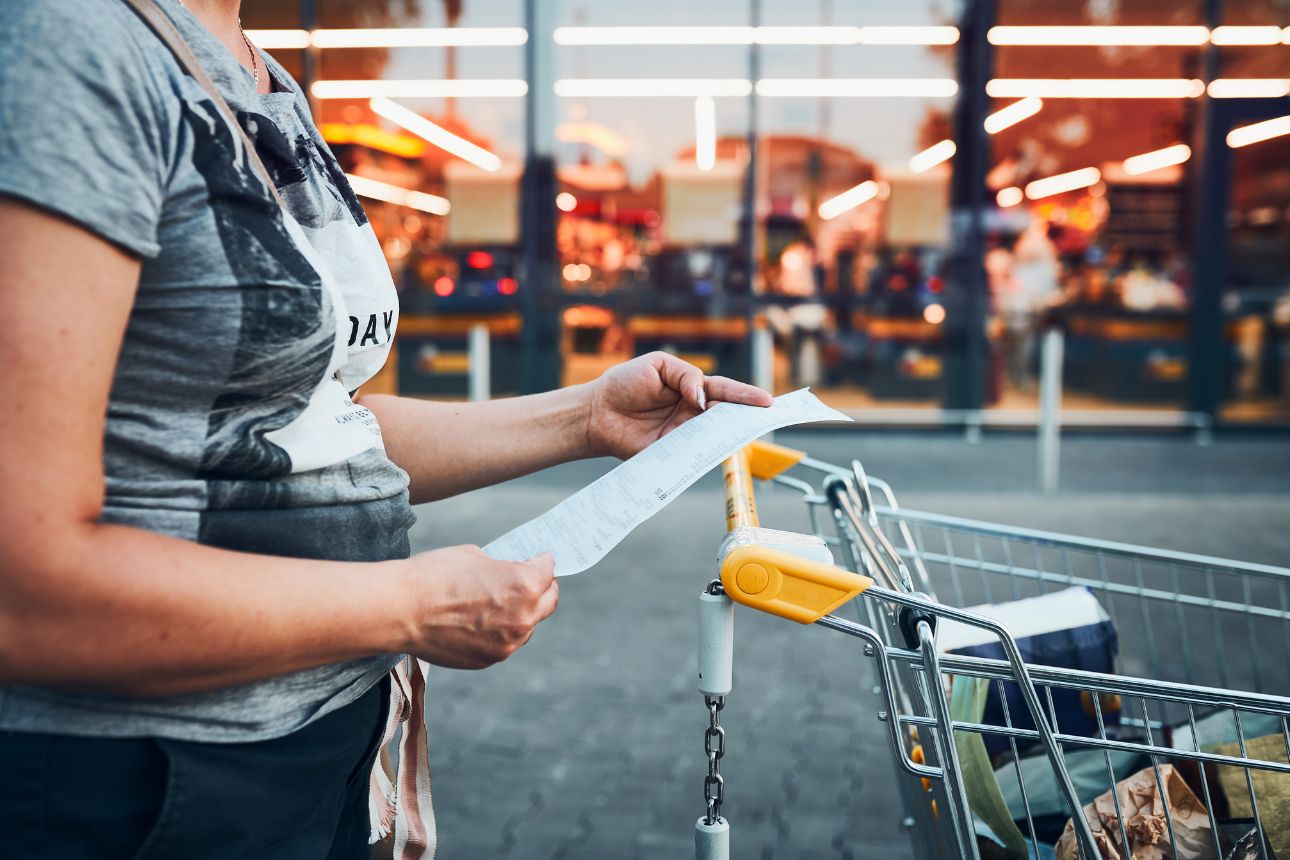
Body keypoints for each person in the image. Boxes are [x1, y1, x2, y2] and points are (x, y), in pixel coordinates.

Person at [0, 1, 772, 857]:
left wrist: (585, 416)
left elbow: (311, 425)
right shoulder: (67, 43)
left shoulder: (260, 77)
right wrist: (409, 603)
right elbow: (22, 586)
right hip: (147, 776)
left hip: (317, 739)